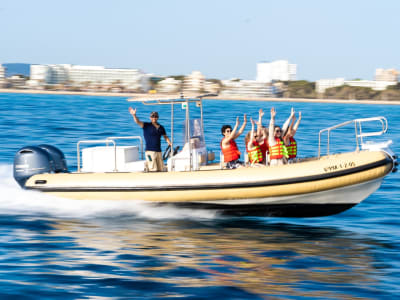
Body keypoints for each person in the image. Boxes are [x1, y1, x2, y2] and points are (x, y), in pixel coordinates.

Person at [129, 107, 172, 171]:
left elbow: (165, 136)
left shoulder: (161, 127)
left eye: (155, 116)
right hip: (150, 151)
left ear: (157, 117)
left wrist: (170, 143)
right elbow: (137, 121)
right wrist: (134, 115)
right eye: (152, 116)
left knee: (160, 169)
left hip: (159, 151)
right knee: (152, 168)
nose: (154, 118)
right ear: (150, 118)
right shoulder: (146, 125)